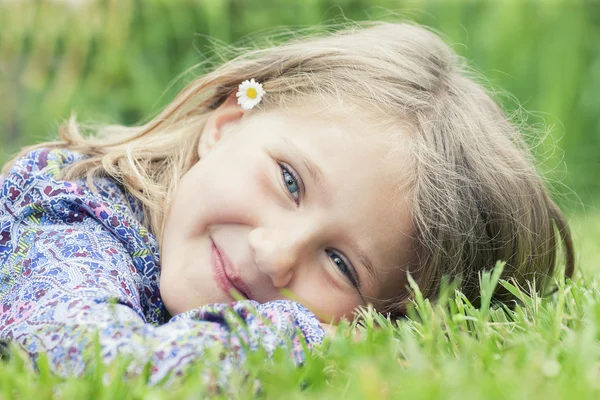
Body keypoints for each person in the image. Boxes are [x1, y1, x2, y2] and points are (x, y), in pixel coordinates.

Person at [0, 21, 574, 385]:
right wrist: (307, 335)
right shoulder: (68, 202)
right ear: (225, 125)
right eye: (291, 183)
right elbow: (93, 363)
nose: (275, 255)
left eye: (342, 264)